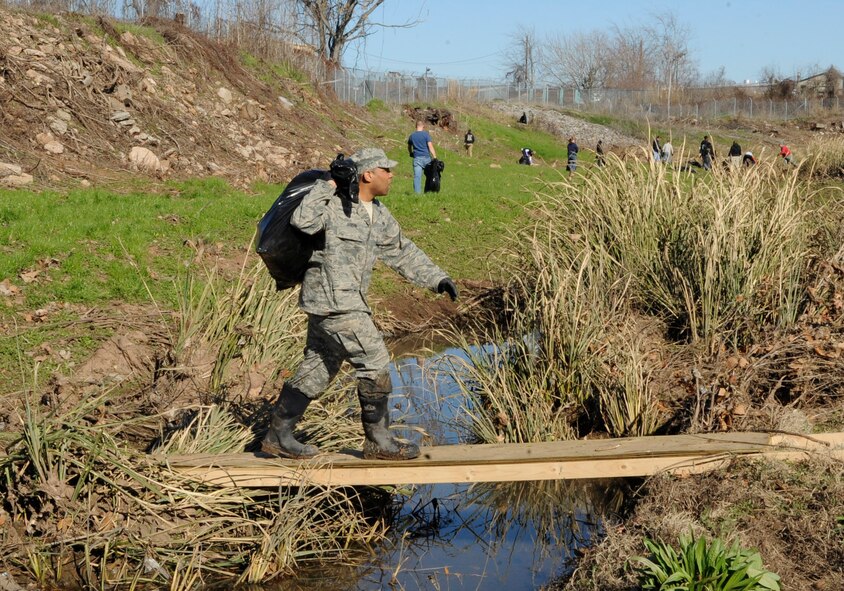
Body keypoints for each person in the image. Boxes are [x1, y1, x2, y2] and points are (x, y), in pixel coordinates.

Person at [261, 147, 459, 461]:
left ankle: (277, 436)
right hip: (333, 302)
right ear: (368, 174)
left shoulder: (378, 213)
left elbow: (401, 251)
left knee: (318, 369)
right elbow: (303, 221)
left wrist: (438, 278)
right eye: (386, 170)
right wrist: (328, 183)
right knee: (375, 359)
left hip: (345, 302)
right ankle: (378, 441)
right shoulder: (333, 205)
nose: (393, 175)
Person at [407, 120, 437, 194]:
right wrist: (434, 156)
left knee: (417, 177)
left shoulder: (412, 136)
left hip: (417, 158)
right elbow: (430, 146)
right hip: (426, 158)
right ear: (423, 126)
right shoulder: (426, 135)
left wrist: (411, 153)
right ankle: (428, 192)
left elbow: (409, 146)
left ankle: (417, 194)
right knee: (430, 176)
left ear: (416, 126)